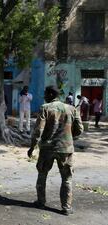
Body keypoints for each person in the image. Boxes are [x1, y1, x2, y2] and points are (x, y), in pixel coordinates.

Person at [28, 85, 83, 216]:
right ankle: (66, 207)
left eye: (45, 94)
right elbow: (80, 129)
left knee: (42, 175)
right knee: (67, 178)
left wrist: (32, 146)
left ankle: (41, 201)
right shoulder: (71, 109)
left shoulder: (45, 108)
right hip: (65, 148)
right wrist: (69, 138)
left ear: (51, 95)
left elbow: (38, 130)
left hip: (47, 148)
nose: (44, 96)